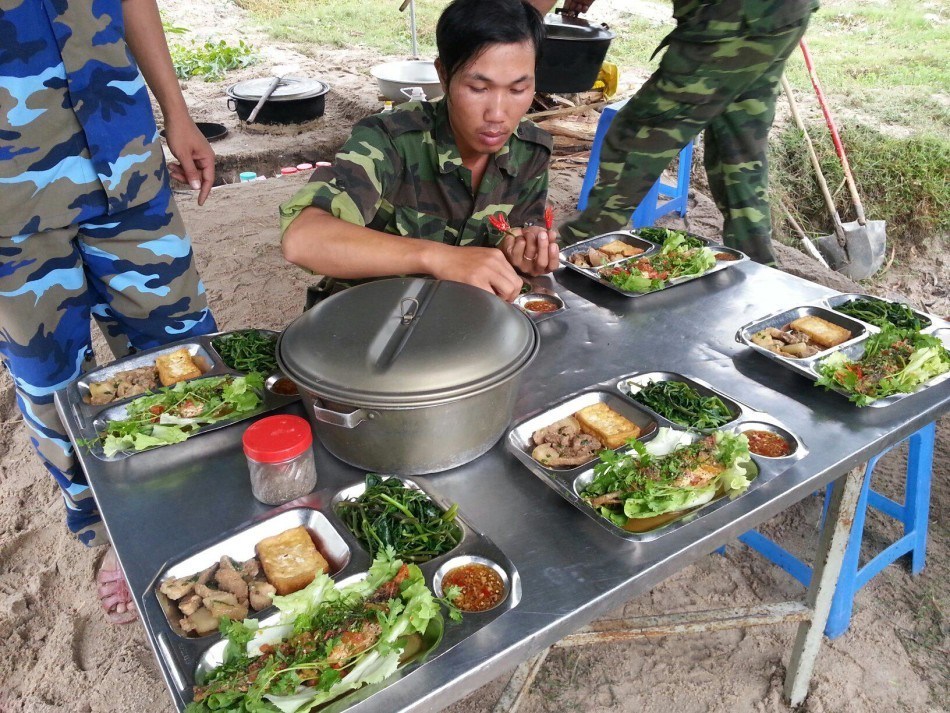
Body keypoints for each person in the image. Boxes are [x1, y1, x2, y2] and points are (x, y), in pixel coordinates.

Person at [0, 0, 218, 623]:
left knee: (186, 351)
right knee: (54, 385)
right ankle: (117, 531)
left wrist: (177, 113)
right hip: (9, 199)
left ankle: (202, 508)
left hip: (123, 153)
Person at [279, 0, 558, 305]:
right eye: (479, 89)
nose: (498, 114)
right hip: (368, 316)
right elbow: (303, 239)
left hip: (464, 317)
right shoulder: (391, 140)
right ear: (444, 75)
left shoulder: (531, 149)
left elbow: (517, 231)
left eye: (517, 90)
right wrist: (438, 257)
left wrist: (521, 248)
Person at [552, 0, 819, 264]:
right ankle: (757, 267)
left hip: (732, 18)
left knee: (636, 134)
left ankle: (577, 248)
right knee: (739, 152)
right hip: (784, 16)